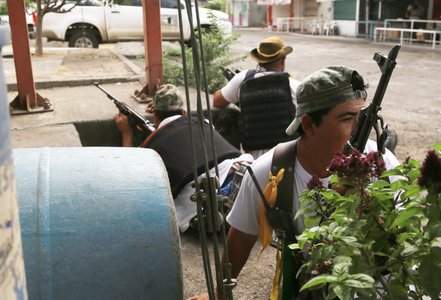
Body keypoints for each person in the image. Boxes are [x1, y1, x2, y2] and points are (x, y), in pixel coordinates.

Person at [188, 66, 399, 299]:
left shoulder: (382, 165)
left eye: (359, 118)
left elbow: (404, 236)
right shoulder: (269, 172)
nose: (357, 129)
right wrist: (218, 293)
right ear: (308, 124)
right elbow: (241, 236)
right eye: (347, 119)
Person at [114, 84, 252, 233]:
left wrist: (126, 133)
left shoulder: (148, 148)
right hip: (239, 168)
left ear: (155, 115)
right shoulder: (202, 123)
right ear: (184, 112)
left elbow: (128, 179)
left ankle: (222, 210)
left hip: (198, 204)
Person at [213, 36, 301, 159]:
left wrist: (240, 95)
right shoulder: (294, 86)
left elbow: (217, 101)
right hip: (288, 158)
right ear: (282, 62)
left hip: (253, 161)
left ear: (259, 60)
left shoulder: (243, 79)